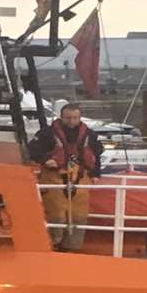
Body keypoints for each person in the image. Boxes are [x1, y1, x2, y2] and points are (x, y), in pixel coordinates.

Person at [25, 103, 103, 251]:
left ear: (80, 118)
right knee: (56, 214)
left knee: (79, 216)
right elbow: (31, 150)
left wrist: (95, 173)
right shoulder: (46, 133)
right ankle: (53, 244)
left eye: (75, 118)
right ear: (61, 117)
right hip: (54, 178)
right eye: (68, 118)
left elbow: (96, 154)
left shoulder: (90, 135)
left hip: (80, 179)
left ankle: (72, 248)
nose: (72, 121)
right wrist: (45, 160)